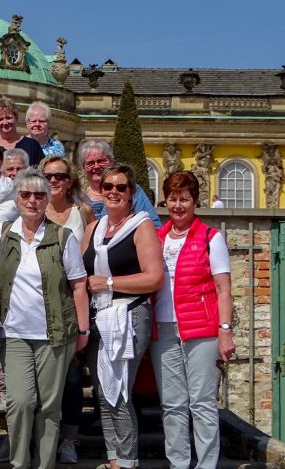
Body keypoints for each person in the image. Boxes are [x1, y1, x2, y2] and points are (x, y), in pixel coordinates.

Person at [0, 167, 90, 469]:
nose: (32, 200)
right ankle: (19, 463)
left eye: (38, 195)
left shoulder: (63, 237)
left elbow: (78, 286)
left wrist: (82, 330)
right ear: (17, 198)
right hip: (14, 334)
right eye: (25, 194)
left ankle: (45, 464)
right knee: (20, 403)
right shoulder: (4, 233)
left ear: (47, 199)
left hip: (54, 335)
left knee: (49, 406)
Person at [81, 164, 164, 469]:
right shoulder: (93, 228)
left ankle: (128, 461)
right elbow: (81, 272)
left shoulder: (141, 226)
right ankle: (113, 458)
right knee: (104, 391)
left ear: (132, 194)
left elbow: (154, 278)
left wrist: (111, 283)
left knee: (120, 392)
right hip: (97, 316)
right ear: (100, 192)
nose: (114, 192)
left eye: (121, 187)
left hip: (129, 315)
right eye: (108, 187)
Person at [151, 171, 235, 469]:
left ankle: (206, 465)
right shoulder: (157, 237)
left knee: (201, 403)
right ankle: (178, 463)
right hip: (163, 329)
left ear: (195, 201)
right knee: (172, 405)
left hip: (201, 330)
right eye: (173, 198)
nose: (178, 205)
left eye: (184, 199)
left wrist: (225, 330)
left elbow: (224, 288)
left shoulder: (211, 237)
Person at [40, 155, 95, 463]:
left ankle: (69, 438)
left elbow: (87, 259)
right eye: (48, 175)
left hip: (70, 301)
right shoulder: (33, 207)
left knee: (71, 374)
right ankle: (43, 435)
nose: (54, 181)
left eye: (60, 176)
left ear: (70, 180)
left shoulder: (82, 212)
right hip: (36, 304)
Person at [79, 140, 162, 227]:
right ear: (83, 168)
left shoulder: (130, 189)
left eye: (101, 161)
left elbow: (155, 225)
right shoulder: (78, 197)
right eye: (90, 163)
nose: (96, 166)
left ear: (112, 162)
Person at [0, 97, 45, 166]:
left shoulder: (32, 145)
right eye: (0, 119)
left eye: (8, 118)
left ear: (16, 118)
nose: (5, 122)